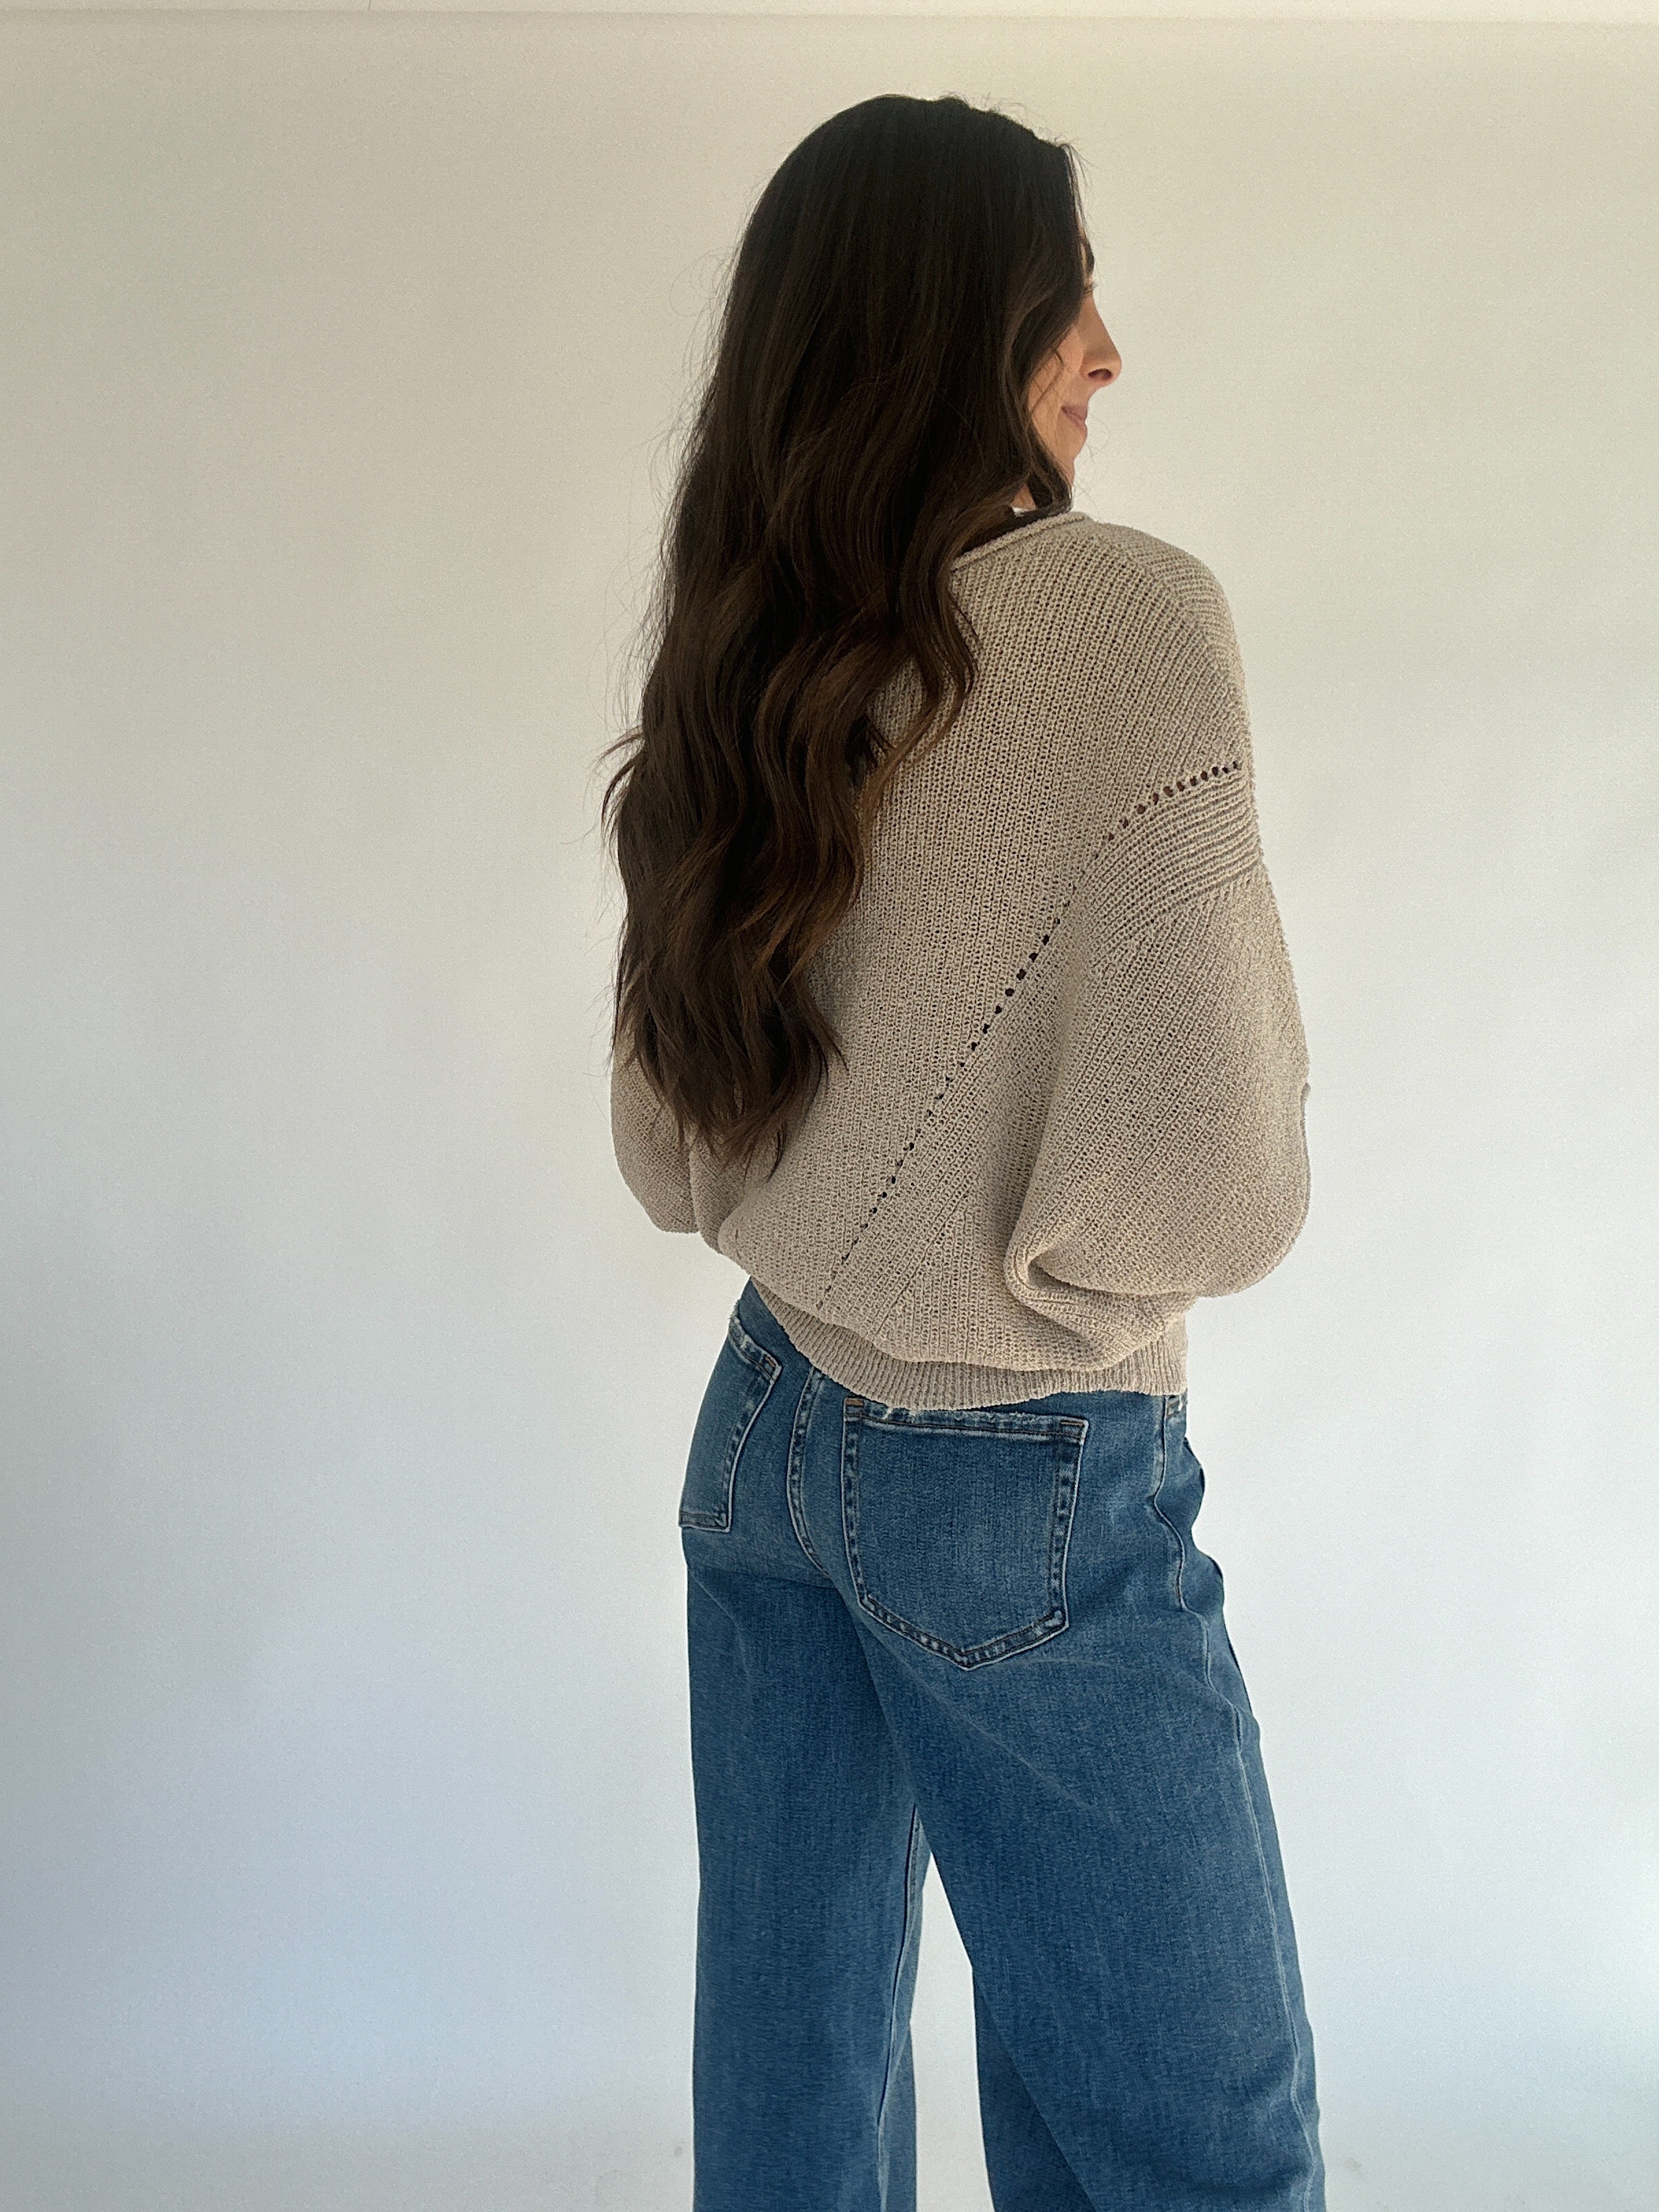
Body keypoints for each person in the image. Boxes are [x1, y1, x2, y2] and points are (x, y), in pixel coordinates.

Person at [600, 91, 1323, 2212]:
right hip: (1031, 1476)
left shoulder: (745, 647)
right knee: (1191, 2150)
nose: (1106, 348)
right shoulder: (1124, 625)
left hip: (762, 1441)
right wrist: (1031, 1275)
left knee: (796, 2114)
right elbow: (1227, 1181)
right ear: (960, 330)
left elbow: (670, 1145)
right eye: (1066, 294)